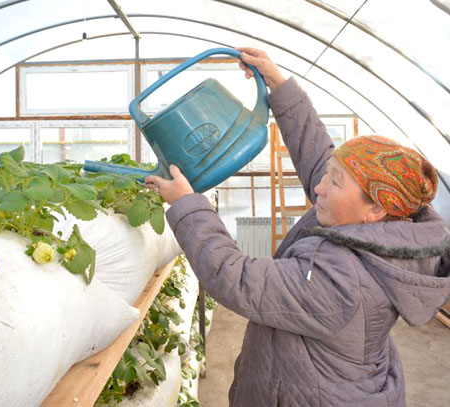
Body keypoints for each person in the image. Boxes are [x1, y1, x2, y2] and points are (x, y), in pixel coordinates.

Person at [145, 47, 450, 407]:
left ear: (376, 211)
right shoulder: (381, 233)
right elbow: (320, 157)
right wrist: (279, 84)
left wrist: (186, 204)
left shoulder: (344, 280)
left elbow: (236, 278)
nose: (319, 187)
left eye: (335, 183)